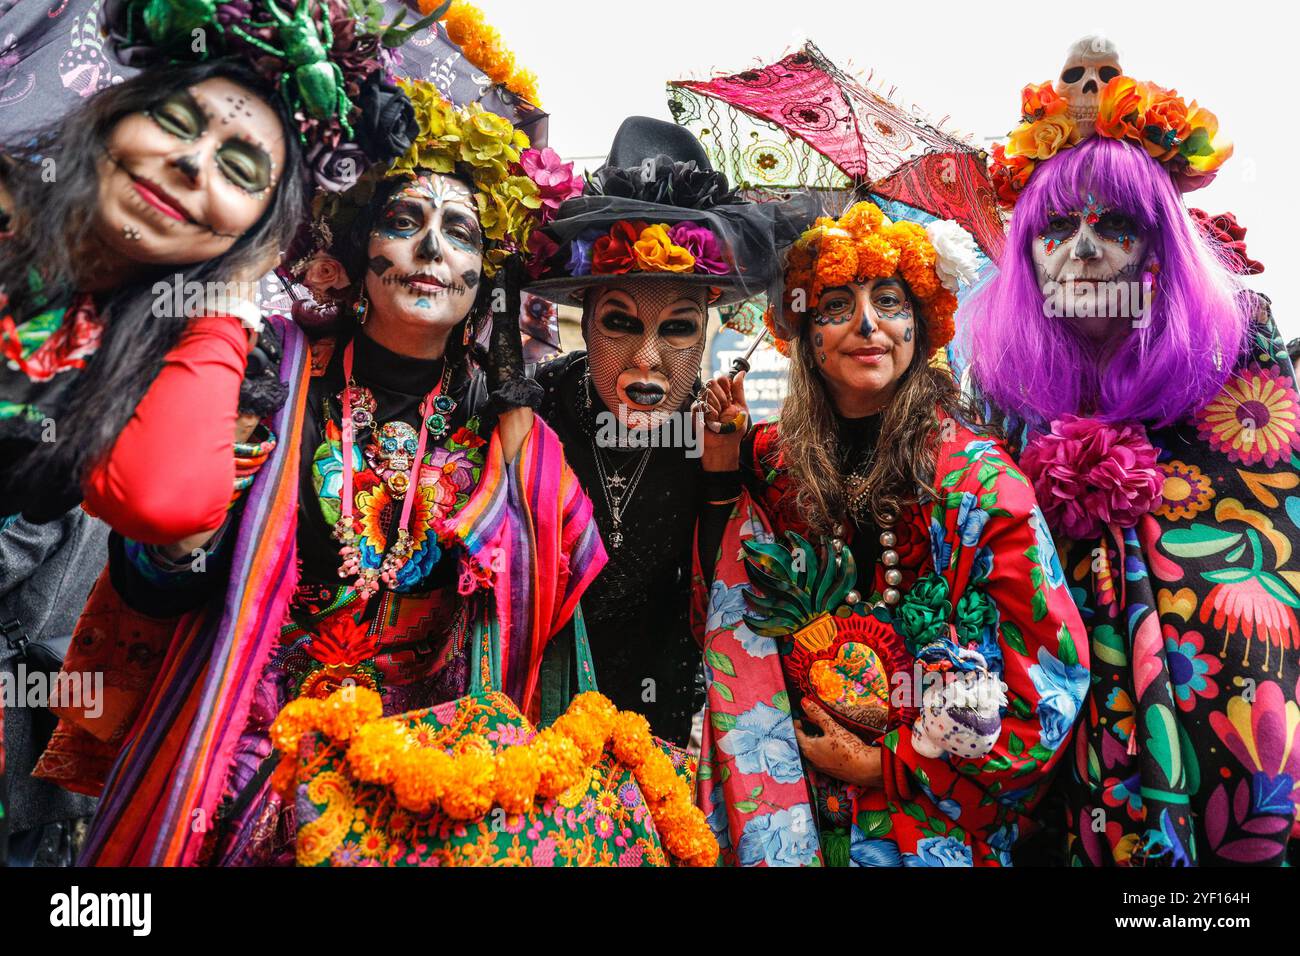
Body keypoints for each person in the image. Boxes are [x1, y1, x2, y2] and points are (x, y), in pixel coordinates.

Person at [32, 73, 604, 866]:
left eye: (461, 233)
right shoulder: (273, 379)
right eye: (403, 222)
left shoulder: (513, 435)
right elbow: (154, 584)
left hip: (428, 791)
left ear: (486, 276)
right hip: (256, 765)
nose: (431, 249)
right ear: (355, 251)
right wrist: (187, 528)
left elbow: (546, 616)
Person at [964, 38, 1297, 865]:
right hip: (1064, 739)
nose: (1082, 250)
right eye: (1055, 227)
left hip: (1231, 734)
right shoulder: (1005, 390)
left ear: (1160, 246)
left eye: (1115, 224)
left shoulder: (1237, 356)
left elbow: (1273, 541)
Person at [692, 200, 1089, 866]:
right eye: (836, 305)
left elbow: (1052, 685)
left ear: (921, 325)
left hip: (924, 829)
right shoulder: (772, 462)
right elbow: (721, 601)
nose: (867, 324)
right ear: (804, 335)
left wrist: (890, 766)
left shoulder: (979, 484)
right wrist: (719, 461)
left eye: (888, 301)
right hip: (791, 809)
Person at [524, 116, 810, 744]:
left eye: (678, 328)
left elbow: (725, 605)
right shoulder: (537, 408)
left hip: (657, 722)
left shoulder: (713, 432)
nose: (647, 359)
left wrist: (719, 474)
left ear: (706, 331)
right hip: (535, 715)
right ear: (588, 315)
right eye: (621, 323)